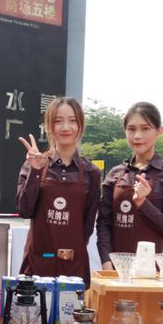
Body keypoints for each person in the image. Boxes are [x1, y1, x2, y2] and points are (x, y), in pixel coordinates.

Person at [16, 97, 101, 288]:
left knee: (70, 307)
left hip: (73, 265)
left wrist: (72, 251)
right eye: (58, 121)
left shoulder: (92, 173)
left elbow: (87, 226)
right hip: (38, 261)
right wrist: (35, 171)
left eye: (72, 120)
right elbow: (24, 210)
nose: (65, 127)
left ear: (81, 125)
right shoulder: (34, 164)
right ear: (49, 126)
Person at [96, 101, 163, 269]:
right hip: (118, 270)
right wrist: (106, 261)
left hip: (154, 272)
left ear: (159, 131)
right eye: (131, 129)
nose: (137, 136)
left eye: (145, 128)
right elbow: (104, 223)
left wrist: (143, 203)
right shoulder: (115, 173)